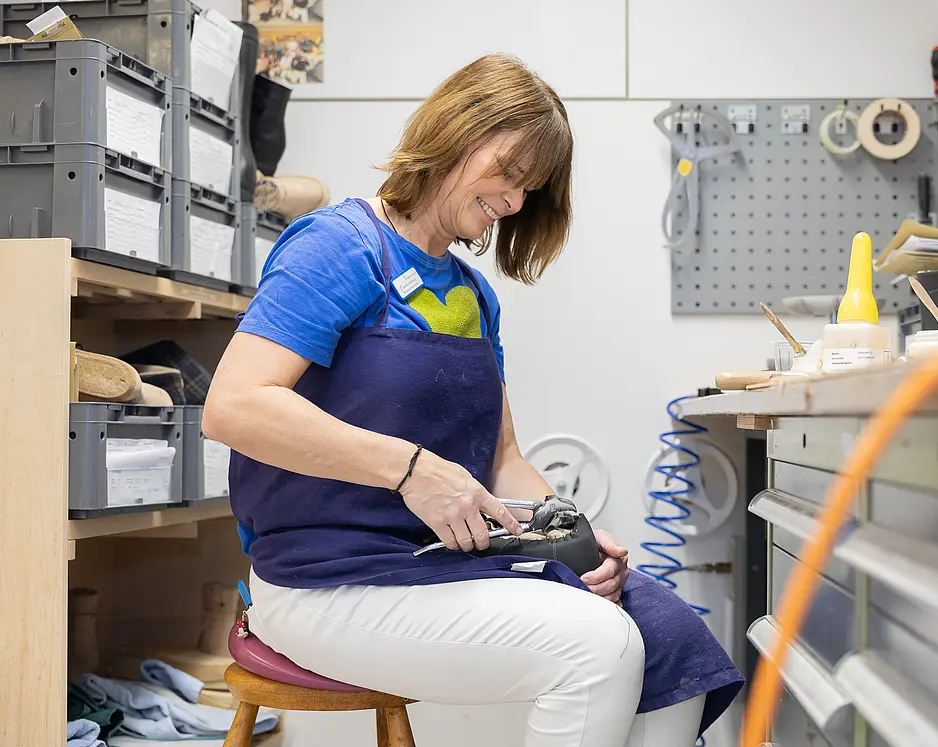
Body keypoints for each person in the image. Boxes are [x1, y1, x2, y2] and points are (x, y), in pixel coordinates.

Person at [203, 53, 743, 747]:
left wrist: (571, 533)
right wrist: (410, 470)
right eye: (509, 174)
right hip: (323, 579)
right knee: (596, 647)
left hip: (433, 562)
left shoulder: (471, 294)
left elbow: (504, 459)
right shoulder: (340, 247)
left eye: (529, 189)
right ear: (457, 130)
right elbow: (234, 404)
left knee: (672, 636)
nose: (514, 203)